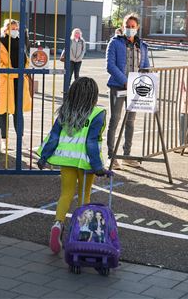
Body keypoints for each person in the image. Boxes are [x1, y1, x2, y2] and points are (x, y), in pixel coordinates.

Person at [36, 77, 108, 254]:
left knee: (66, 194)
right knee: (85, 196)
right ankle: (82, 232)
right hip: (85, 163)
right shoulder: (97, 113)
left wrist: (44, 157)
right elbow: (91, 143)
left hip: (65, 160)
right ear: (93, 96)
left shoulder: (65, 112)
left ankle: (57, 224)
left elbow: (53, 137)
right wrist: (98, 167)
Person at [105, 13, 150, 169]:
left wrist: (141, 82)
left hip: (135, 89)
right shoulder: (114, 43)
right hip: (118, 86)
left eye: (133, 27)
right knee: (115, 120)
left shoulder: (142, 46)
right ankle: (111, 156)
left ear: (137, 28)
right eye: (127, 26)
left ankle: (126, 155)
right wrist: (125, 81)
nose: (130, 29)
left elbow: (145, 66)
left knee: (130, 122)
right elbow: (110, 66)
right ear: (123, 27)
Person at [0, 19, 32, 151]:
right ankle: (4, 140)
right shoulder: (1, 42)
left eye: (17, 28)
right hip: (6, 81)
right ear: (6, 29)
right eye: (13, 28)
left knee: (19, 111)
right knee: (4, 111)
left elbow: (26, 59)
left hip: (19, 80)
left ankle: (20, 139)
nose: (15, 30)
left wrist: (24, 70)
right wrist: (11, 73)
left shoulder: (21, 41)